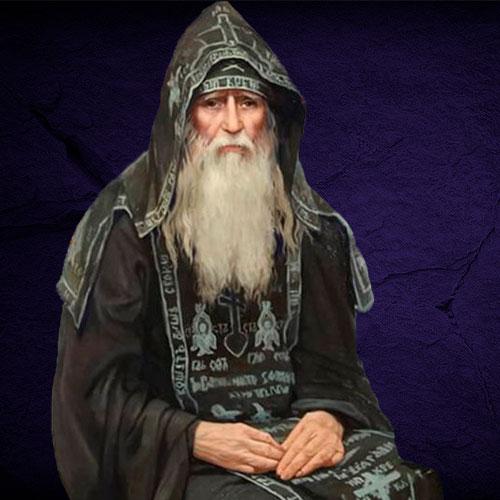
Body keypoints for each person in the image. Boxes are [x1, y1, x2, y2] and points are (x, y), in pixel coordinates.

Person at [52, 2, 443, 499]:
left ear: (271, 118)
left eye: (249, 103)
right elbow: (93, 396)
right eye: (213, 103)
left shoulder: (310, 224)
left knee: (407, 487)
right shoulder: (125, 226)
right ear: (183, 117)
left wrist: (328, 418)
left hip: (287, 444)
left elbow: (334, 371)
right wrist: (194, 436)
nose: (233, 123)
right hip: (178, 458)